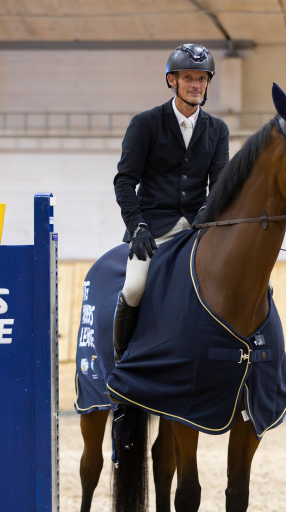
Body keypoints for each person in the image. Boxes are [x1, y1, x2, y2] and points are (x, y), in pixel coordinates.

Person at [112, 43, 230, 363]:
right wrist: (137, 226)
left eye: (202, 78)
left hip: (198, 228)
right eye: (188, 77)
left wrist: (206, 214)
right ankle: (124, 372)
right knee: (135, 288)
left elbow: (219, 183)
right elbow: (125, 181)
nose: (196, 85)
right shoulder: (146, 123)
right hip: (153, 228)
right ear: (172, 81)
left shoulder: (217, 129)